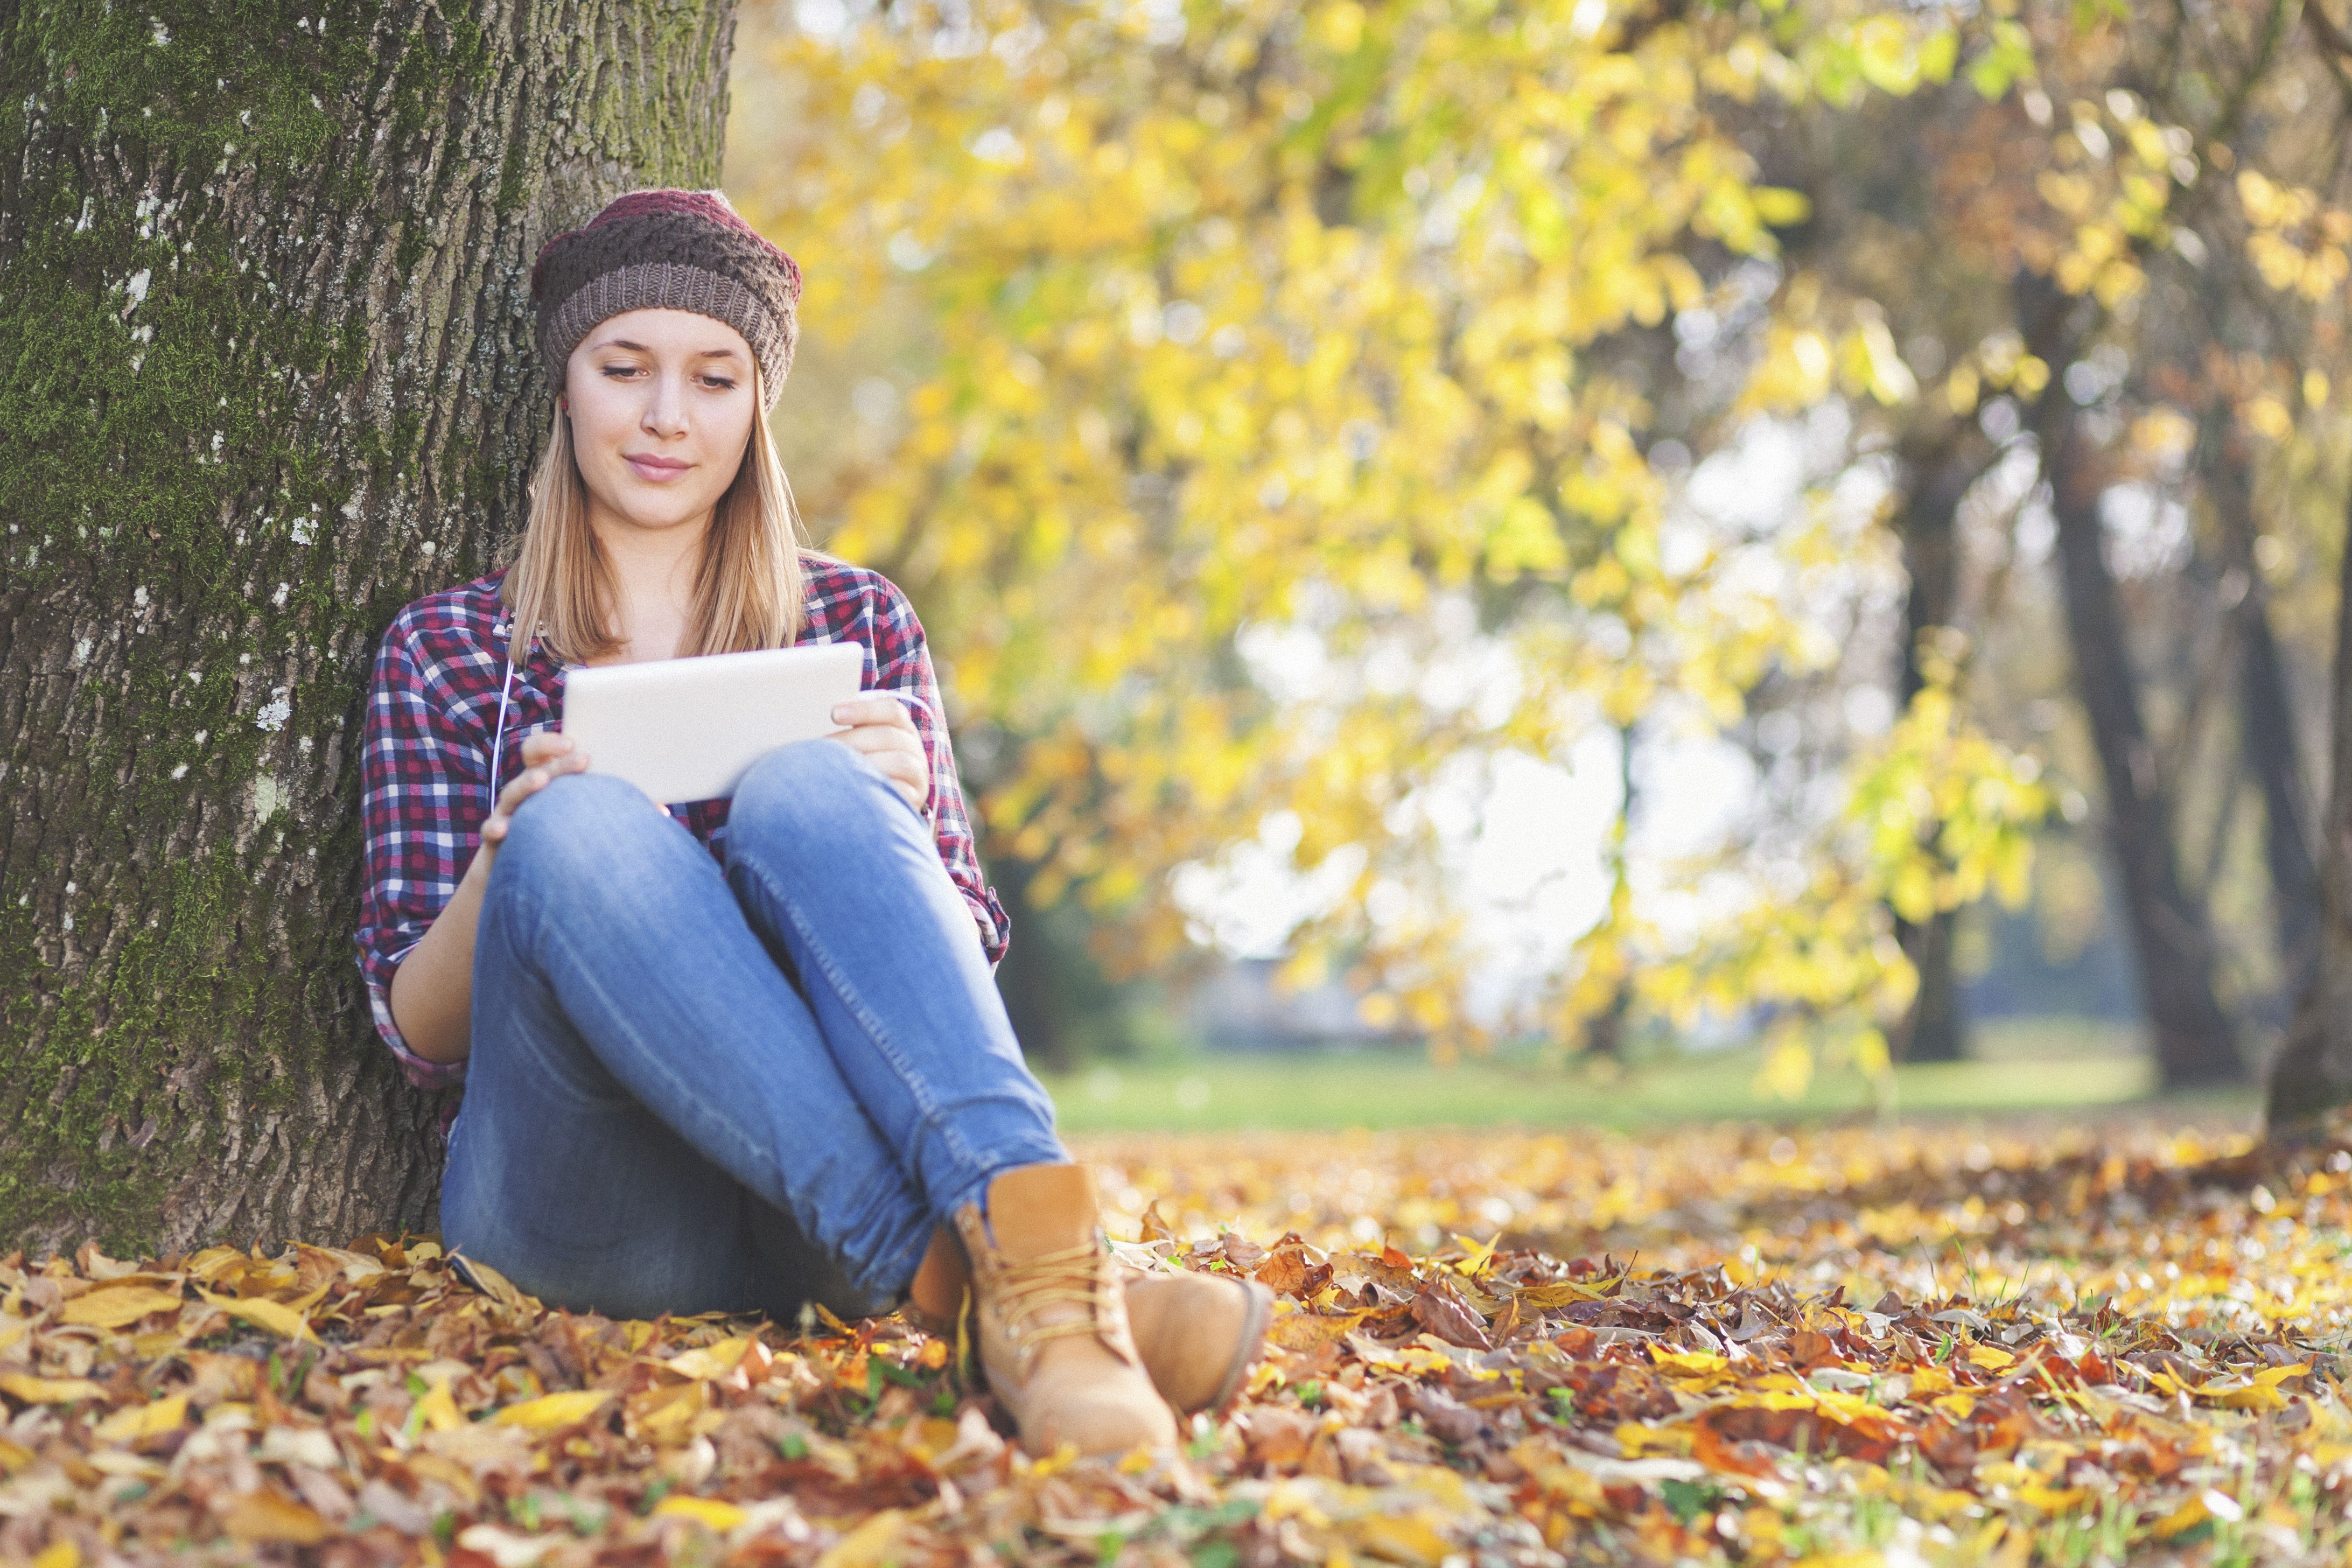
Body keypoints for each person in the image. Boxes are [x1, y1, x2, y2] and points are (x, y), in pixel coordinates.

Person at [354, 190, 1270, 1455]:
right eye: (625, 369)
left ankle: (1041, 1282)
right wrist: (511, 863)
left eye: (714, 379)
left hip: (810, 1227)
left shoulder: (860, 625)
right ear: (567, 389)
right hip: (583, 1213)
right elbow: (415, 1030)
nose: (668, 415)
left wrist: (900, 811)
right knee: (578, 832)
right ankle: (1036, 1312)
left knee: (809, 784)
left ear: (756, 408)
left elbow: (948, 977)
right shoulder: (454, 648)